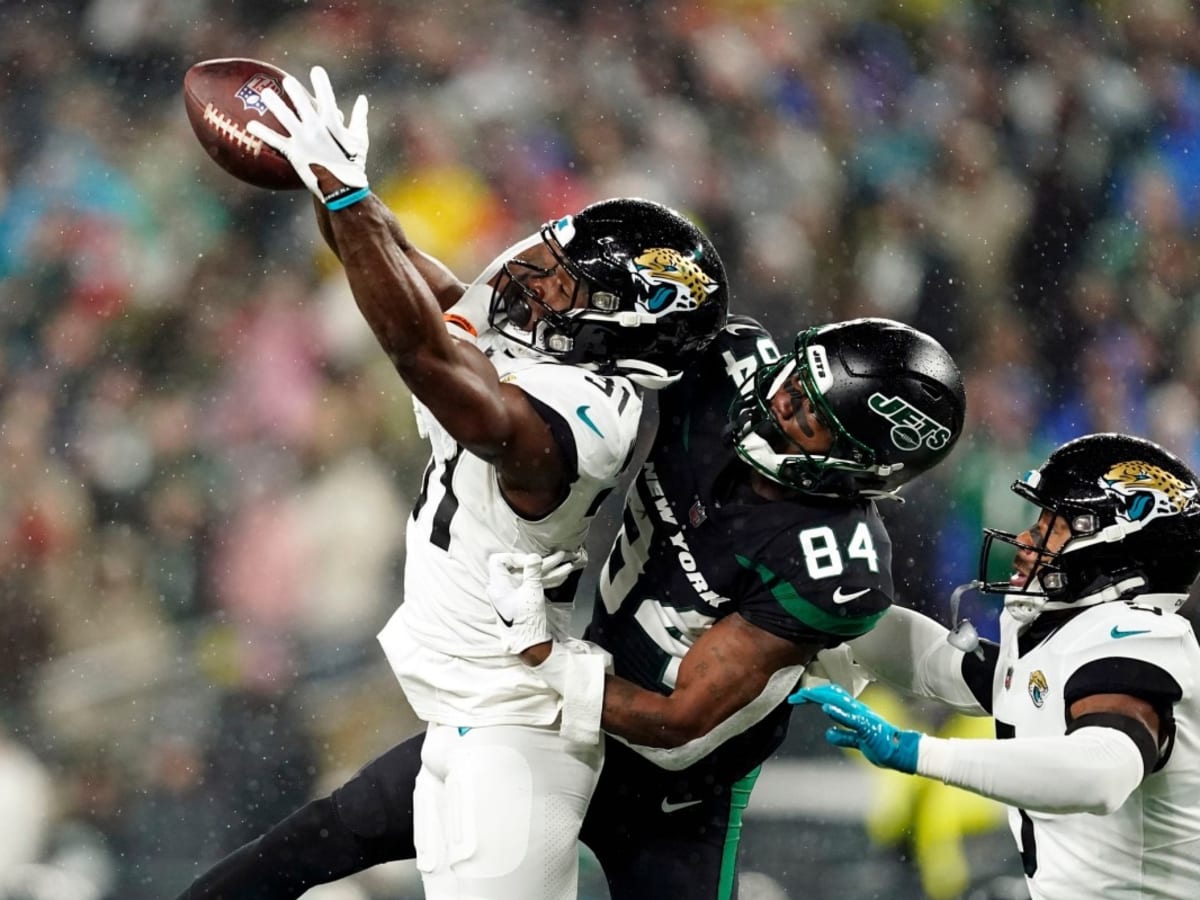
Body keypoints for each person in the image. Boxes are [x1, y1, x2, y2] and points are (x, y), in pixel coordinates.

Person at [178, 314, 966, 900]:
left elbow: (679, 719)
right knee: (333, 830)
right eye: (793, 383)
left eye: (807, 417)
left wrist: (547, 658)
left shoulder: (834, 560)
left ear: (863, 467)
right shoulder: (725, 367)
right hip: (551, 724)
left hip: (677, 792)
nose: (776, 406)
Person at [179, 67, 729, 900]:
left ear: (625, 329)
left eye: (568, 284)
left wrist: (341, 198)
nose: (536, 278)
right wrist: (335, 184)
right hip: (467, 714)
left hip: (511, 735)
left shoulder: (581, 416)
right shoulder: (554, 351)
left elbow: (421, 349)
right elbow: (415, 282)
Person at [793, 432, 1200, 899]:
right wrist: (820, 612)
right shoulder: (1064, 637)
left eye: (1055, 523)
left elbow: (1104, 771)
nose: (1027, 539)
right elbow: (939, 666)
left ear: (1114, 545)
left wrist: (918, 752)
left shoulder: (1139, 636)